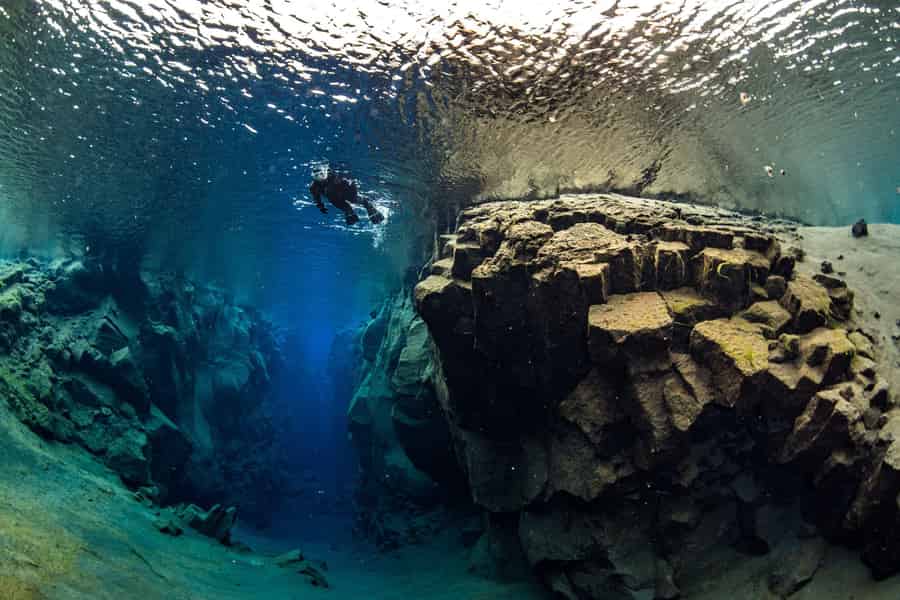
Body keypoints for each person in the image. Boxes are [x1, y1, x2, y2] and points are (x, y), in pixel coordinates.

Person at [309, 165, 384, 225]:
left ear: (326, 172)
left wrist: (352, 191)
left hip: (346, 191)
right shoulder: (313, 186)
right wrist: (321, 206)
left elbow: (351, 183)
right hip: (334, 198)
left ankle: (368, 205)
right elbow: (316, 197)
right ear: (313, 176)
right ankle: (350, 212)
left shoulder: (335, 176)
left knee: (355, 200)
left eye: (321, 174)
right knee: (345, 208)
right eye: (316, 176)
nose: (319, 177)